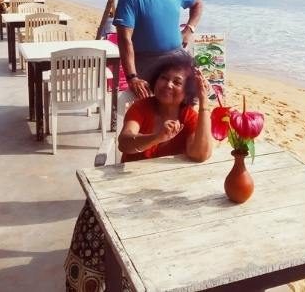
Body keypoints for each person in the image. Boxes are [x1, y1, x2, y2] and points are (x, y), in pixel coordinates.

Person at [64, 57, 212, 291]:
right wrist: (157, 137)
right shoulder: (141, 107)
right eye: (164, 77)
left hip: (163, 193)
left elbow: (200, 153)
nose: (168, 85)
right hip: (128, 188)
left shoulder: (188, 116)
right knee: (92, 221)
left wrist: (204, 103)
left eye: (177, 82)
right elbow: (125, 143)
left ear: (187, 91)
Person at [113, 0, 203, 100]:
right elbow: (124, 39)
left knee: (193, 100)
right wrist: (132, 77)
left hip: (178, 57)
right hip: (148, 62)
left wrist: (189, 30)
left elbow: (197, 4)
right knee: (158, 113)